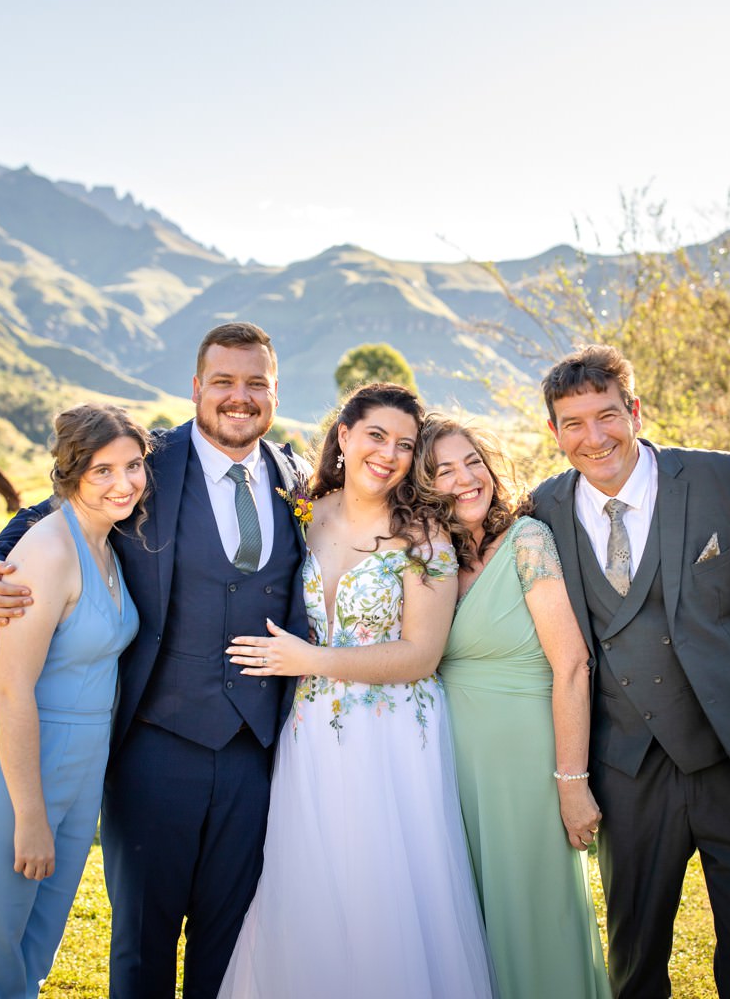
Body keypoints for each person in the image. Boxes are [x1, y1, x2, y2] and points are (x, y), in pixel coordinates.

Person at [0, 322, 312, 999]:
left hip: (256, 749)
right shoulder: (147, 461)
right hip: (154, 742)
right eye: (223, 382)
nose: (238, 398)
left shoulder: (296, 476)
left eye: (256, 384)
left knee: (230, 935)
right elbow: (50, 512)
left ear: (274, 392)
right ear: (196, 388)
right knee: (143, 942)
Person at [528, 343, 730, 999]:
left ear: (635, 411)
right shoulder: (541, 511)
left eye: (607, 415)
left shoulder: (726, 482)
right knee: (634, 962)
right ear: (554, 434)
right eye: (573, 424)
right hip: (627, 774)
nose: (594, 436)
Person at [218, 383, 496, 999]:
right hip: (310, 730)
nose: (389, 453)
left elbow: (422, 656)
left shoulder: (426, 536)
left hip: (396, 733)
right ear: (343, 437)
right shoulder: (299, 517)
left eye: (404, 444)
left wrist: (308, 658)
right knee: (314, 876)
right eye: (376, 436)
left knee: (386, 887)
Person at [0, 403, 147, 997]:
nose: (124, 482)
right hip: (19, 775)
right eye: (103, 470)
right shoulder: (50, 550)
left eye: (133, 466)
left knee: (34, 953)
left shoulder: (111, 544)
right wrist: (30, 815)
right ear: (71, 473)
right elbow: (12, 689)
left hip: (82, 771)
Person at [418, 416, 611, 999]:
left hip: (526, 765)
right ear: (426, 486)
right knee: (469, 916)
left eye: (472, 461)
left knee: (535, 910)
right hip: (452, 766)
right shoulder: (433, 558)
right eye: (445, 470)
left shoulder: (527, 541)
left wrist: (572, 783)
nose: (465, 478)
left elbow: (572, 666)